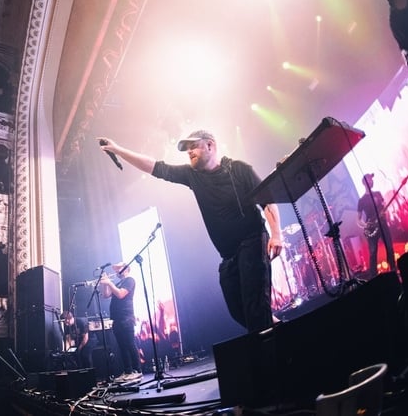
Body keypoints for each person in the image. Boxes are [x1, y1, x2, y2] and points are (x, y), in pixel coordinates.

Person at [99, 131, 282, 333]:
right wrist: (117, 149)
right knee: (238, 311)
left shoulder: (239, 169)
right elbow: (155, 167)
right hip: (228, 255)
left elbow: (267, 200)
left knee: (255, 308)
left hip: (252, 241)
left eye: (193, 146)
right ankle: (276, 326)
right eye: (187, 149)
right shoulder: (192, 175)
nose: (189, 152)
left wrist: (276, 234)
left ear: (210, 146)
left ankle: (273, 356)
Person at [100, 263, 142, 382]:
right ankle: (128, 371)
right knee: (122, 347)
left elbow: (120, 294)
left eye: (119, 268)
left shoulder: (130, 280)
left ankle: (137, 370)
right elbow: (106, 295)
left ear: (126, 269)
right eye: (116, 269)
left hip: (126, 317)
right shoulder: (118, 283)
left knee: (130, 344)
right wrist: (104, 283)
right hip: (117, 318)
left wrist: (109, 282)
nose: (117, 271)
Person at [356, 173, 397, 277]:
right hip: (371, 228)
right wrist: (365, 225)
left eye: (371, 179)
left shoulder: (378, 194)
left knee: (389, 247)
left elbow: (384, 206)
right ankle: (374, 277)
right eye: (369, 179)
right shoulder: (361, 200)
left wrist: (384, 213)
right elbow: (358, 219)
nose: (371, 181)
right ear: (365, 183)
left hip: (382, 224)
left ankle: (393, 271)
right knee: (373, 252)